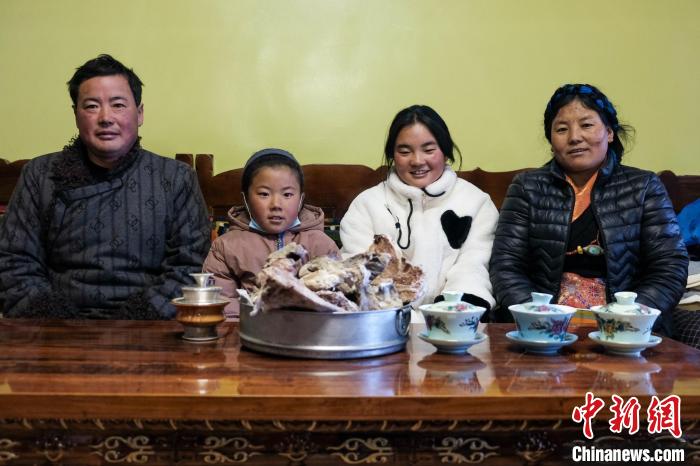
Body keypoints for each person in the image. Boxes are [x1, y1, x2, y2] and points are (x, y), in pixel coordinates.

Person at [0, 54, 211, 319]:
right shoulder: (40, 174)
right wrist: (61, 325)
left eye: (118, 105)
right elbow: (14, 263)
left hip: (150, 326)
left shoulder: (176, 178)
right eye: (91, 106)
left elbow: (189, 268)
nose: (105, 117)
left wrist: (131, 325)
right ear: (75, 114)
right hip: (56, 327)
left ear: (140, 113)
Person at [489, 83, 688, 336]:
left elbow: (669, 266)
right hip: (541, 327)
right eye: (562, 129)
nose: (574, 137)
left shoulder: (644, 186)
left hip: (628, 329)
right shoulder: (527, 188)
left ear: (609, 132)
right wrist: (539, 317)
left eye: (586, 125)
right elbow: (505, 266)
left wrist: (628, 317)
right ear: (551, 141)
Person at [340, 105, 498, 314]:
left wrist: (446, 314)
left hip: (455, 321)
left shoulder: (476, 202)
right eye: (405, 152)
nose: (417, 161)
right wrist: (405, 319)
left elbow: (474, 267)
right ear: (392, 155)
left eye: (429, 150)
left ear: (445, 151)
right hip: (385, 320)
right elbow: (361, 273)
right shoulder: (366, 205)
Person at [203, 148, 339, 319]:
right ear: (246, 199)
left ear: (301, 199)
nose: (276, 204)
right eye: (264, 194)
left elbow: (337, 300)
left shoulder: (321, 244)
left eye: (287, 194)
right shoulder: (225, 247)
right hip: (248, 329)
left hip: (311, 329)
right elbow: (220, 302)